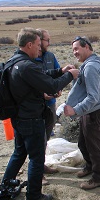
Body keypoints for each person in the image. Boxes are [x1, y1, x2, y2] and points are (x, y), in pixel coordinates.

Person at [2, 27, 78, 200]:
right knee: (36, 158)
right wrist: (69, 75)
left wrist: (59, 71)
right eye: (37, 44)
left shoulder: (15, 61)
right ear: (29, 44)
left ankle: (5, 187)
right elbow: (50, 86)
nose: (39, 48)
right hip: (31, 118)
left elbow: (41, 77)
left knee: (19, 153)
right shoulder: (27, 66)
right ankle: (34, 196)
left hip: (19, 118)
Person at [63, 35, 100, 190]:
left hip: (93, 112)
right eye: (73, 50)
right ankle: (90, 166)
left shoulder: (90, 67)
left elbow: (93, 97)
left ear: (87, 47)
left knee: (94, 146)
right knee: (83, 143)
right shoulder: (90, 64)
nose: (74, 52)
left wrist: (75, 109)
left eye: (77, 48)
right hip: (89, 111)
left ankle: (98, 178)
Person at [36, 28, 61, 180]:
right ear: (38, 40)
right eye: (47, 40)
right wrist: (41, 94)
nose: (49, 43)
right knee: (37, 139)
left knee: (46, 136)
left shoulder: (50, 56)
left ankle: (42, 165)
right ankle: (37, 171)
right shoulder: (30, 58)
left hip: (51, 104)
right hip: (36, 106)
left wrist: (58, 88)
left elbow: (57, 73)